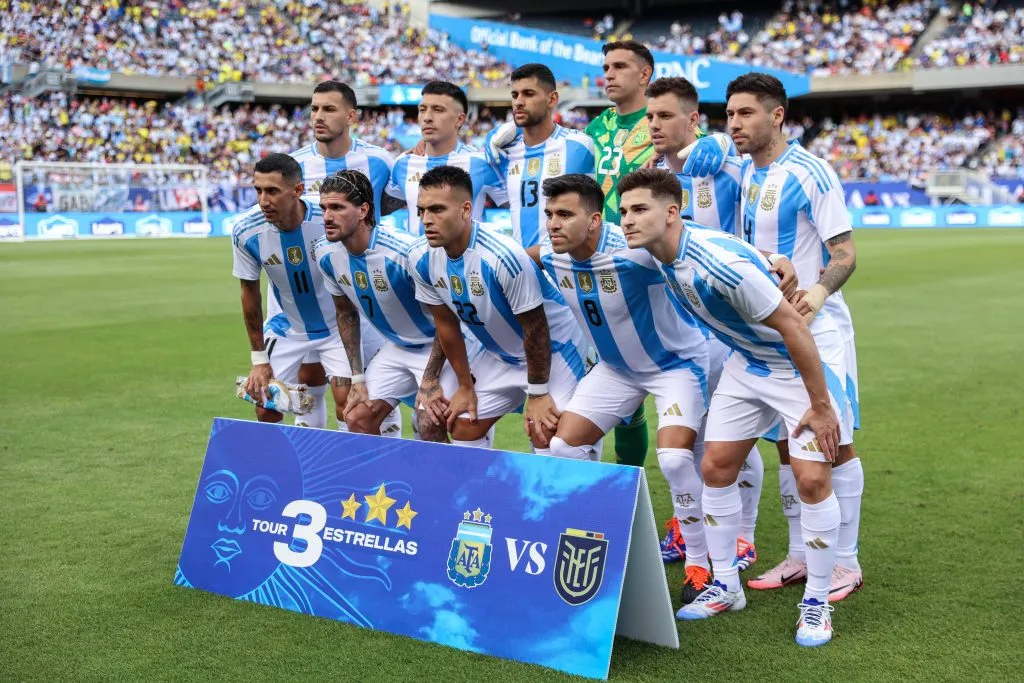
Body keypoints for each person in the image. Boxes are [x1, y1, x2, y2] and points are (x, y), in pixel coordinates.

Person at [619, 167, 852, 647]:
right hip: (749, 362)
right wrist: (772, 255)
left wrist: (821, 405)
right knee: (717, 464)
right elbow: (729, 242)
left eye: (639, 209)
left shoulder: (716, 264)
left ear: (670, 212)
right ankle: (725, 585)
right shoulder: (661, 247)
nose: (627, 220)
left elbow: (794, 328)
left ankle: (817, 601)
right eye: (623, 211)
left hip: (800, 359)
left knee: (811, 477)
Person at [530, 174, 713, 603]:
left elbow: (699, 243)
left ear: (594, 220)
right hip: (616, 370)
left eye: (565, 215)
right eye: (549, 215)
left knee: (672, 458)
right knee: (563, 447)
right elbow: (515, 259)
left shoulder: (637, 251)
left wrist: (773, 258)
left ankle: (700, 561)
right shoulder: (551, 256)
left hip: (675, 366)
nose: (554, 224)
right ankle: (603, 536)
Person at [723, 73, 864, 603]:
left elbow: (845, 253)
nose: (735, 124)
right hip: (764, 333)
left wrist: (818, 294)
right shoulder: (741, 168)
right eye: (730, 115)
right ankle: (802, 555)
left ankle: (846, 564)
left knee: (836, 443)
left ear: (776, 115)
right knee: (788, 443)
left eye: (745, 114)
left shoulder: (811, 172)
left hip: (817, 328)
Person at [645, 75, 768, 572]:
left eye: (665, 116)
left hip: (724, 324)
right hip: (676, 321)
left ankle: (744, 536)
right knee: (685, 432)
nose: (654, 124)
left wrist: (721, 142)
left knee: (726, 435)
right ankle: (687, 526)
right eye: (651, 116)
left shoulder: (722, 164)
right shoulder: (652, 172)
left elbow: (755, 171)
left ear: (693, 119)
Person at [408, 166, 586, 452]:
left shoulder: (502, 256)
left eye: (437, 209)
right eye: (421, 210)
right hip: (498, 354)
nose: (426, 220)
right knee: (463, 425)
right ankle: (480, 496)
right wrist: (464, 386)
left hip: (554, 350)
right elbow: (446, 325)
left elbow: (536, 328)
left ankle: (562, 489)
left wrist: (538, 394)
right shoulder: (419, 257)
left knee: (547, 434)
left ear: (466, 209)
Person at [231, 153, 382, 430]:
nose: (264, 200)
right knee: (265, 405)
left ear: (298, 191)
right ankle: (282, 471)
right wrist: (258, 359)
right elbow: (248, 292)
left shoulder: (327, 220)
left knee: (351, 408)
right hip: (287, 328)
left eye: (273, 191)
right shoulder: (245, 230)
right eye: (259, 190)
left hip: (337, 327)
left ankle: (350, 470)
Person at [285, 80, 399, 433]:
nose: (318, 116)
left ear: (351, 115)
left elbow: (390, 206)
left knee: (371, 394)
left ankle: (383, 476)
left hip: (361, 296)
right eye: (315, 108)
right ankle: (315, 474)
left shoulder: (379, 161)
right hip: (307, 297)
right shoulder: (294, 165)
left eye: (329, 109)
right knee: (304, 388)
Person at [313, 169, 443, 438]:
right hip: (398, 347)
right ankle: (385, 481)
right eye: (324, 208)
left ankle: (451, 480)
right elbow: (346, 313)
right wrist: (357, 378)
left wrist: (430, 378)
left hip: (440, 346)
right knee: (356, 415)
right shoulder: (326, 253)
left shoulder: (405, 252)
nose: (327, 216)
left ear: (363, 211)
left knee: (430, 422)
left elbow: (448, 319)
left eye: (337, 207)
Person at [483, 63, 596, 247]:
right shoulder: (503, 151)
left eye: (528, 94)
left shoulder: (579, 147)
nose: (518, 101)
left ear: (552, 99)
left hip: (566, 269)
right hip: (522, 270)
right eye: (514, 95)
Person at [385, 81, 507, 235]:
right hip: (417, 259)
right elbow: (383, 207)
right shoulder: (404, 162)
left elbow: (519, 209)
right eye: (422, 109)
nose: (427, 117)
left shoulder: (480, 163)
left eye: (438, 110)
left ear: (459, 120)